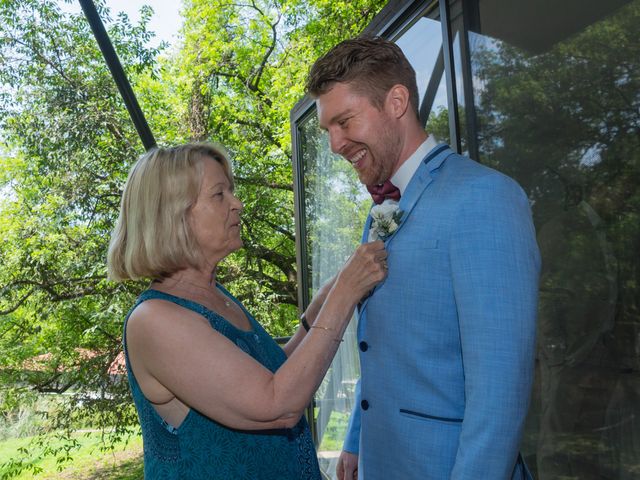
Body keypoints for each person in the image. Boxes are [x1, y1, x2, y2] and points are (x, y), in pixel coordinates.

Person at [305, 37, 541, 479]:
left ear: (396, 102)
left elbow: (500, 393)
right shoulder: (379, 213)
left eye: (344, 121)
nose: (335, 144)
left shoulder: (485, 197)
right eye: (327, 130)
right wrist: (357, 439)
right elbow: (380, 349)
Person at [106, 142, 387, 479]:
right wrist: (344, 296)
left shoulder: (215, 297)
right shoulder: (155, 321)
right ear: (174, 214)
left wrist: (318, 311)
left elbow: (271, 375)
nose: (237, 204)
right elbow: (277, 405)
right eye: (219, 194)